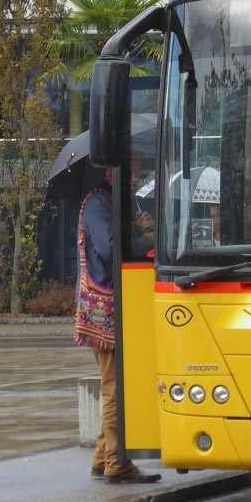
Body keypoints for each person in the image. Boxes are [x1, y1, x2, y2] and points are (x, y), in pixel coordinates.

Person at [75, 166, 162, 485]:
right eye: (131, 167)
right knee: (115, 387)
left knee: (114, 382)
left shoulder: (111, 202)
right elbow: (112, 248)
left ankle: (102, 456)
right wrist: (147, 239)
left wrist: (140, 229)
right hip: (105, 308)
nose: (136, 175)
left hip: (110, 305)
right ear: (111, 170)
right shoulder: (98, 203)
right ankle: (117, 462)